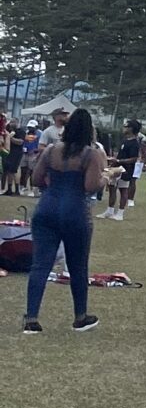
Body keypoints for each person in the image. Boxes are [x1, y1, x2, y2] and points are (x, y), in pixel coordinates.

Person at [21, 105, 106, 335]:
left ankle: (31, 318)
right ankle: (80, 317)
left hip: (47, 209)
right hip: (75, 212)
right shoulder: (91, 154)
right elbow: (90, 186)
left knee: (40, 265)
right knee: (78, 266)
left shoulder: (50, 150)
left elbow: (37, 179)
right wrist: (104, 180)